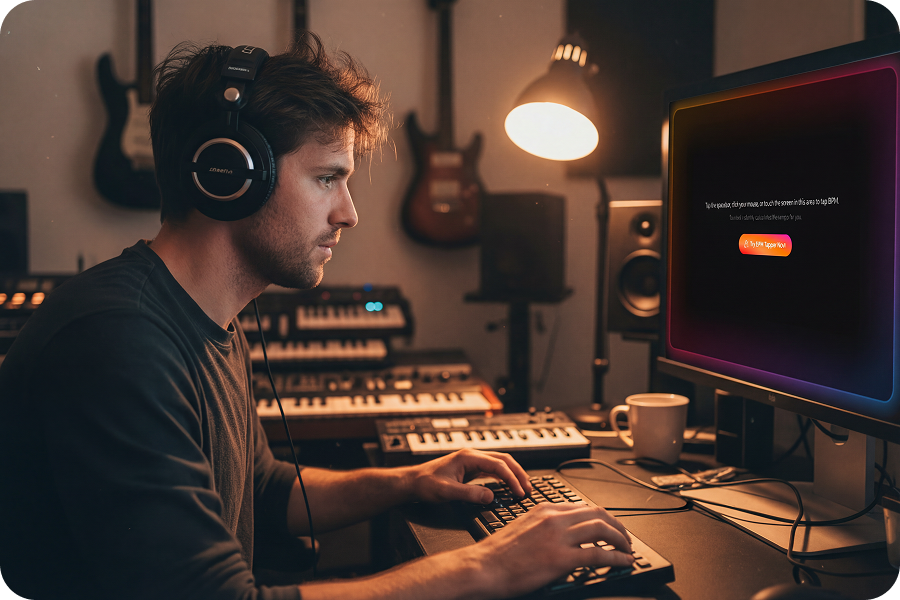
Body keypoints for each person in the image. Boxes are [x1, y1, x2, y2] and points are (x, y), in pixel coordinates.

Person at [0, 33, 634, 600]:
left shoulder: (206, 317)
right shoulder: (116, 344)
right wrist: (491, 566)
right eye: (328, 178)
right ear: (231, 176)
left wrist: (407, 481)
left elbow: (267, 491)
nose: (349, 213)